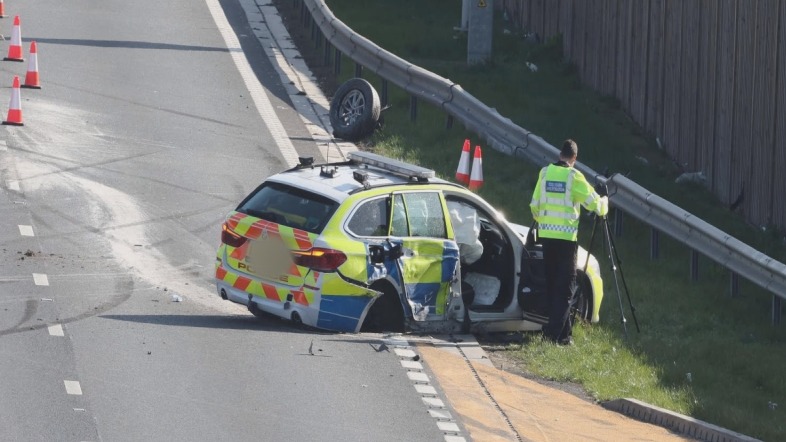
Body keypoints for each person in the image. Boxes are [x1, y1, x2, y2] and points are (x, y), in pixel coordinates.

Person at [529, 139, 608, 345]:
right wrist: (605, 201)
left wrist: (546, 222)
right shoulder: (574, 177)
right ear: (574, 158)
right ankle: (552, 335)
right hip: (566, 241)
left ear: (560, 154)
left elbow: (534, 207)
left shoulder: (544, 173)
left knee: (553, 285)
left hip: (546, 238)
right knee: (565, 289)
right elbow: (595, 206)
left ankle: (564, 336)